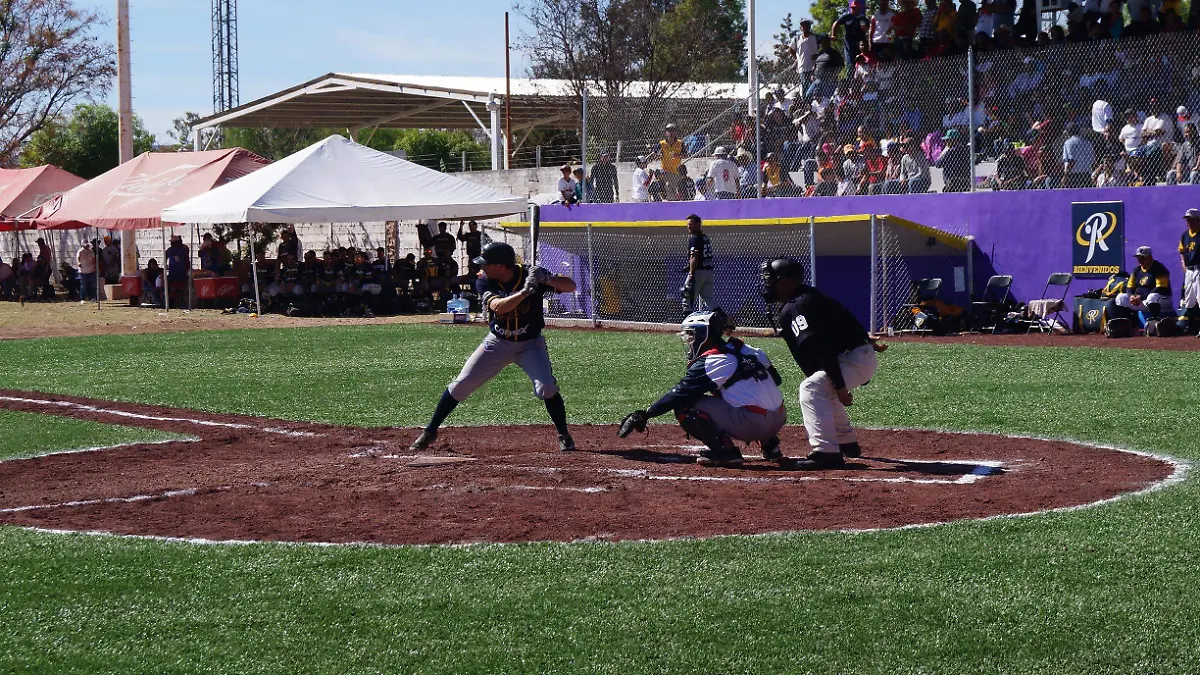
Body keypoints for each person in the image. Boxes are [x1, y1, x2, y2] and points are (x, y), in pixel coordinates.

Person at [410, 242, 578, 452]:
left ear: (501, 266)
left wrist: (546, 278)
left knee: (547, 387)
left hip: (530, 345)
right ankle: (430, 431)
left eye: (486, 264)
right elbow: (498, 306)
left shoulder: (530, 275)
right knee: (462, 383)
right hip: (497, 343)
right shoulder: (484, 282)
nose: (482, 268)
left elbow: (571, 286)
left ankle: (564, 434)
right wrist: (525, 293)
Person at [759, 257, 888, 469]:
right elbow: (840, 316)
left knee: (812, 388)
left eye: (772, 279)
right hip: (856, 354)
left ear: (787, 281)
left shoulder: (796, 305)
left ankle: (826, 452)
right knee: (823, 386)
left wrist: (841, 385)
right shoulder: (807, 296)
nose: (768, 283)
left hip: (852, 357)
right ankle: (847, 442)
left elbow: (819, 346)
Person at [617, 309, 787, 468]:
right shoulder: (746, 348)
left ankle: (725, 452)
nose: (689, 340)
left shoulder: (712, 359)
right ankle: (770, 445)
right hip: (779, 417)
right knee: (735, 391)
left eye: (691, 335)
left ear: (703, 335)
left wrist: (646, 414)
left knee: (684, 406)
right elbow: (776, 379)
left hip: (754, 423)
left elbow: (680, 393)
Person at [1111, 246, 1172, 321]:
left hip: (1162, 300)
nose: (1140, 260)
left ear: (1150, 257)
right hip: (1142, 301)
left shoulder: (1159, 268)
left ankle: (1154, 322)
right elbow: (1129, 287)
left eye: (1142, 258)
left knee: (1152, 297)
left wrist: (1141, 297)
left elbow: (1161, 288)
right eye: (1138, 258)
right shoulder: (1137, 270)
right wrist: (1131, 296)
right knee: (1121, 298)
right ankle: (1126, 324)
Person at [682, 214, 715, 312]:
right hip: (708, 272)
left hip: (698, 272)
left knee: (687, 298)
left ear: (698, 224)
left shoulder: (694, 238)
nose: (689, 226)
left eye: (691, 224)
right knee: (709, 300)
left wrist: (691, 273)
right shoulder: (705, 238)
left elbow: (694, 256)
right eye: (688, 224)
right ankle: (721, 319)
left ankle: (687, 323)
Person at [1179, 208, 1200, 335]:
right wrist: (1183, 264)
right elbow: (1182, 251)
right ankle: (1191, 326)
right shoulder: (1185, 235)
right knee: (1189, 300)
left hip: (1199, 269)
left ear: (1198, 221)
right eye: (1187, 220)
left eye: (1191, 220)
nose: (1188, 222)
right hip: (1189, 271)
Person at [791, 19, 819, 93]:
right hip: (802, 67)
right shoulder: (796, 39)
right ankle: (805, 102)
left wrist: (817, 55)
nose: (804, 28)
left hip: (813, 66)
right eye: (803, 26)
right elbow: (791, 49)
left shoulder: (815, 37)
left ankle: (811, 101)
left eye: (806, 26)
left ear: (809, 27)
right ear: (801, 28)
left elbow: (823, 47)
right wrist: (796, 58)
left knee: (812, 86)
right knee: (804, 85)